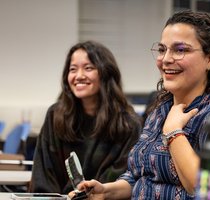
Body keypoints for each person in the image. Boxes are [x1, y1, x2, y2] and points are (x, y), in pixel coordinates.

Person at [71, 10, 210, 199]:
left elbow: (209, 191)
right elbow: (138, 177)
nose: (166, 59)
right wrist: (105, 191)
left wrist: (174, 133)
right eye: (163, 49)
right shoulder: (160, 110)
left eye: (180, 50)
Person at [28, 41, 141, 194]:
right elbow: (44, 175)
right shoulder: (55, 116)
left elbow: (123, 180)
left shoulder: (128, 124)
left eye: (88, 68)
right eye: (73, 69)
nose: (79, 76)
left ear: (106, 73)